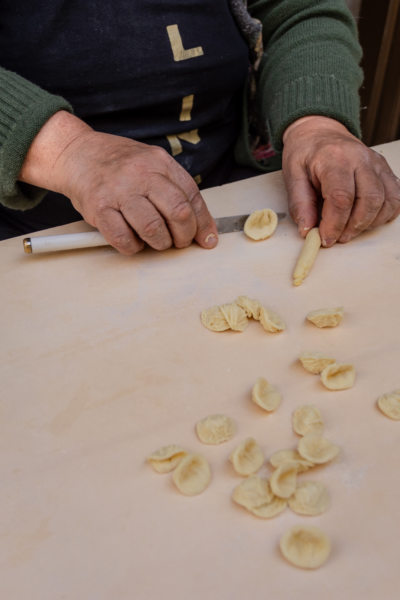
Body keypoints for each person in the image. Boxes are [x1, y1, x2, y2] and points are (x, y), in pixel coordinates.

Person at [0, 0, 398, 253]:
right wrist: (68, 152)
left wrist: (316, 123)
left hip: (234, 193)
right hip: (45, 235)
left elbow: (297, 9)